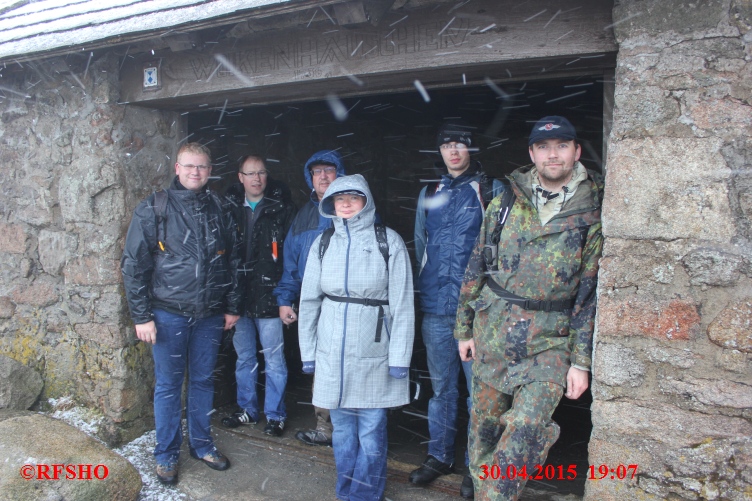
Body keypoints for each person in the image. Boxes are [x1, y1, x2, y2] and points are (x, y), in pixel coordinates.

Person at [455, 116, 604, 500]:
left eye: (561, 146)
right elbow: (477, 265)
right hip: (493, 332)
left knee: (525, 428)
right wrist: (464, 328)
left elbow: (589, 293)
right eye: (543, 147)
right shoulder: (506, 200)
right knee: (483, 430)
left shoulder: (594, 207)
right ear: (532, 154)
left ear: (576, 151)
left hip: (550, 342)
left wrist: (581, 361)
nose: (552, 154)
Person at [121, 142, 242, 485]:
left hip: (208, 315)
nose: (195, 172)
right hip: (168, 314)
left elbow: (232, 261)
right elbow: (134, 265)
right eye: (189, 166)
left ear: (210, 170)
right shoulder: (155, 207)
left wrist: (231, 305)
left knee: (203, 381)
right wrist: (141, 316)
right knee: (170, 385)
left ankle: (201, 444)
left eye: (202, 167)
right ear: (177, 168)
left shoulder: (219, 207)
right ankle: (166, 454)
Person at [298, 174, 414, 501]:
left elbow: (403, 304)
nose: (346, 203)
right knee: (344, 433)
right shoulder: (323, 243)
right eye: (339, 198)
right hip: (332, 352)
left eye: (354, 197)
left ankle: (364, 495)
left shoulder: (387, 241)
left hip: (375, 351)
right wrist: (308, 352)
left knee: (373, 433)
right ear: (330, 203)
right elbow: (308, 302)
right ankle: (346, 491)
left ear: (366, 201)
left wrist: (400, 358)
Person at [411, 121, 504, 498]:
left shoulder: (489, 189)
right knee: (442, 389)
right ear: (440, 151)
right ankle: (439, 456)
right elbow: (421, 244)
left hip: (476, 311)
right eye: (447, 145)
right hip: (436, 307)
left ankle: (476, 464)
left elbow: (498, 251)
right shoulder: (429, 191)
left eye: (460, 145)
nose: (453, 151)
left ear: (471, 150)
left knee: (479, 392)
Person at [273, 149, 345, 446]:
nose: (324, 176)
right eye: (317, 172)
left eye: (329, 170)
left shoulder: (356, 208)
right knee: (321, 365)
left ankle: (349, 428)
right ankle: (325, 427)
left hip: (349, 304)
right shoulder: (303, 215)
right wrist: (285, 299)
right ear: (310, 178)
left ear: (340, 174)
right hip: (314, 303)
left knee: (351, 363)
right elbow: (291, 262)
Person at [221, 154, 296, 436]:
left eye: (261, 172)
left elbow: (291, 256)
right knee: (245, 358)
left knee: (274, 359)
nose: (256, 178)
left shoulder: (282, 208)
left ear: (267, 176)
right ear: (240, 177)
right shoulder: (228, 208)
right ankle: (247, 411)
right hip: (238, 299)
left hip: (270, 296)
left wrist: (285, 296)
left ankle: (275, 415)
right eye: (250, 173)